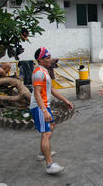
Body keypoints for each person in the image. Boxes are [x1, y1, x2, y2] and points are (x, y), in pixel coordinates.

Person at [30, 47, 74, 175]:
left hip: (44, 105)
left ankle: (42, 153)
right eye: (47, 58)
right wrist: (44, 110)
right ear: (40, 60)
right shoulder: (38, 72)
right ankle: (49, 165)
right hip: (39, 106)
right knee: (46, 132)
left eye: (50, 57)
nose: (50, 60)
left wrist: (65, 100)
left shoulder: (45, 71)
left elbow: (52, 90)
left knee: (51, 126)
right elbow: (37, 94)